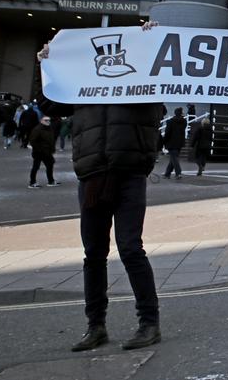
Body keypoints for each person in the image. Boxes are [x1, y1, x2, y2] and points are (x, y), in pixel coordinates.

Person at [37, 30, 161, 352]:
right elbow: (49, 102)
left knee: (131, 248)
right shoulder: (81, 88)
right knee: (93, 255)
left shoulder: (141, 83)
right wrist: (49, 64)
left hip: (129, 172)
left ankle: (149, 324)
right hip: (92, 176)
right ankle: (96, 327)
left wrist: (153, 42)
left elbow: (160, 94)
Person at [28, 115, 60, 188]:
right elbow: (32, 141)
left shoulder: (49, 128)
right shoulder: (37, 129)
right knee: (36, 167)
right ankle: (32, 182)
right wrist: (39, 149)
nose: (48, 121)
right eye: (46, 120)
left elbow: (51, 140)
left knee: (50, 165)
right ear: (41, 121)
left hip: (47, 152)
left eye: (49, 120)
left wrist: (52, 149)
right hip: (39, 152)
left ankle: (51, 181)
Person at [162, 107, 186, 180]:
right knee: (173, 158)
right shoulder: (184, 121)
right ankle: (167, 174)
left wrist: (164, 141)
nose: (183, 113)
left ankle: (178, 173)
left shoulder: (170, 121)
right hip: (179, 143)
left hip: (171, 142)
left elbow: (167, 133)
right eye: (182, 112)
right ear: (180, 113)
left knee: (174, 158)